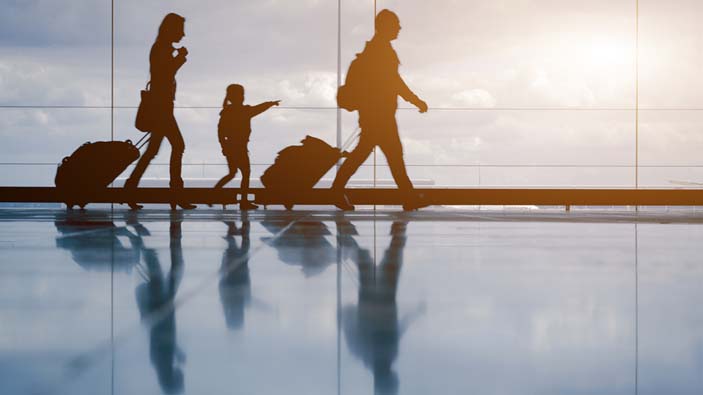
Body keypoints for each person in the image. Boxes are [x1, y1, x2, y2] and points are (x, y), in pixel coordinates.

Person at [333, 9, 429, 211]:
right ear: (385, 27)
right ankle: (408, 197)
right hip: (380, 115)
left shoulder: (376, 50)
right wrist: (416, 100)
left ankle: (337, 190)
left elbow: (392, 82)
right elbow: (395, 83)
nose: (399, 28)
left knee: (374, 153)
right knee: (391, 154)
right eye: (396, 24)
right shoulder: (382, 52)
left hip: (374, 114)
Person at [125, 13, 195, 211]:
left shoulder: (161, 48)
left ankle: (130, 189)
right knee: (178, 146)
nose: (183, 34)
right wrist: (181, 58)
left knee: (152, 151)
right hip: (162, 108)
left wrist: (178, 57)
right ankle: (176, 195)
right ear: (171, 29)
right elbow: (165, 74)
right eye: (180, 29)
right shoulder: (162, 49)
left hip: (161, 106)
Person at [213, 84, 280, 210]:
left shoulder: (227, 112)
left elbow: (220, 132)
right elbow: (259, 108)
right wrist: (271, 103)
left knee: (232, 173)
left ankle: (214, 194)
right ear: (239, 97)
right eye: (241, 95)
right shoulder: (244, 111)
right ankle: (243, 201)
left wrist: (224, 147)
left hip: (230, 147)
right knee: (246, 173)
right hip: (239, 148)